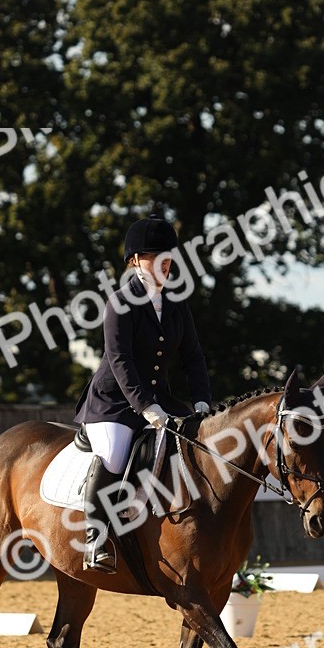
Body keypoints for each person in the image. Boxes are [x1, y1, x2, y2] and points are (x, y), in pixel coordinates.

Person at [74, 213, 213, 572]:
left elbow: (193, 356)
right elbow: (119, 359)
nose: (168, 263)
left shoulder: (177, 303)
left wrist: (201, 400)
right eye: (159, 256)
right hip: (115, 403)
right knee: (113, 455)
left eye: (171, 257)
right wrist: (145, 406)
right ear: (136, 260)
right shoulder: (119, 303)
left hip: (160, 400)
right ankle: (95, 538)